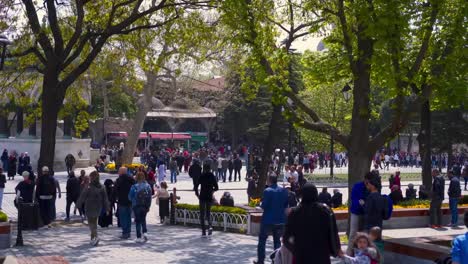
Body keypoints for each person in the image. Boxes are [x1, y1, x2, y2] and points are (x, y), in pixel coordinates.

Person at [282, 183, 341, 264]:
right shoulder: (326, 211)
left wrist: (295, 250)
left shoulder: (295, 213)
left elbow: (286, 238)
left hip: (301, 256)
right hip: (321, 255)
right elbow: (333, 232)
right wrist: (336, 249)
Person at [253, 175, 288, 264]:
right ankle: (277, 261)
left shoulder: (267, 191)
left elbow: (264, 206)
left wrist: (259, 206)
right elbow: (285, 206)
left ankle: (261, 261)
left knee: (262, 241)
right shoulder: (284, 190)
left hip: (268, 220)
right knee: (277, 242)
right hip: (280, 220)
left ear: (269, 180)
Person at [77, 171, 110, 246]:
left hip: (89, 206)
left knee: (91, 223)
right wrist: (107, 208)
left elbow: (83, 196)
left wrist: (78, 205)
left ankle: (96, 236)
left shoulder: (88, 186)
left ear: (92, 177)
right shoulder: (102, 186)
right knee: (94, 222)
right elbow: (105, 199)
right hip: (98, 206)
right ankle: (92, 239)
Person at [194, 164, 219, 237]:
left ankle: (203, 231)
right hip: (209, 197)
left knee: (202, 214)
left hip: (202, 196)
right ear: (210, 169)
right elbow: (217, 187)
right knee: (208, 213)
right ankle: (210, 226)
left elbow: (196, 186)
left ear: (204, 169)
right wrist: (212, 191)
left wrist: (197, 194)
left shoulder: (202, 176)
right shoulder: (212, 176)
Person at [128, 172, 152, 243]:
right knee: (143, 219)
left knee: (138, 221)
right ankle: (145, 232)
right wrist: (148, 206)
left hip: (136, 205)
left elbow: (129, 197)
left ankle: (138, 236)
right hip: (145, 205)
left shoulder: (134, 186)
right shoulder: (148, 186)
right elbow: (150, 197)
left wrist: (132, 201)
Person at [114, 167, 135, 239]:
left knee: (123, 217)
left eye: (119, 171)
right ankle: (128, 232)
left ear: (121, 172)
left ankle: (125, 232)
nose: (118, 173)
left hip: (122, 201)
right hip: (130, 201)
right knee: (128, 217)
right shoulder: (131, 179)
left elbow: (115, 190)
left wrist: (114, 198)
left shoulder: (119, 180)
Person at [348, 179, 369, 252]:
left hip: (365, 212)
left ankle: (363, 253)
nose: (368, 184)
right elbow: (354, 198)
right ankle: (349, 253)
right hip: (356, 211)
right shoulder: (358, 186)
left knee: (364, 234)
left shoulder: (371, 187)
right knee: (353, 233)